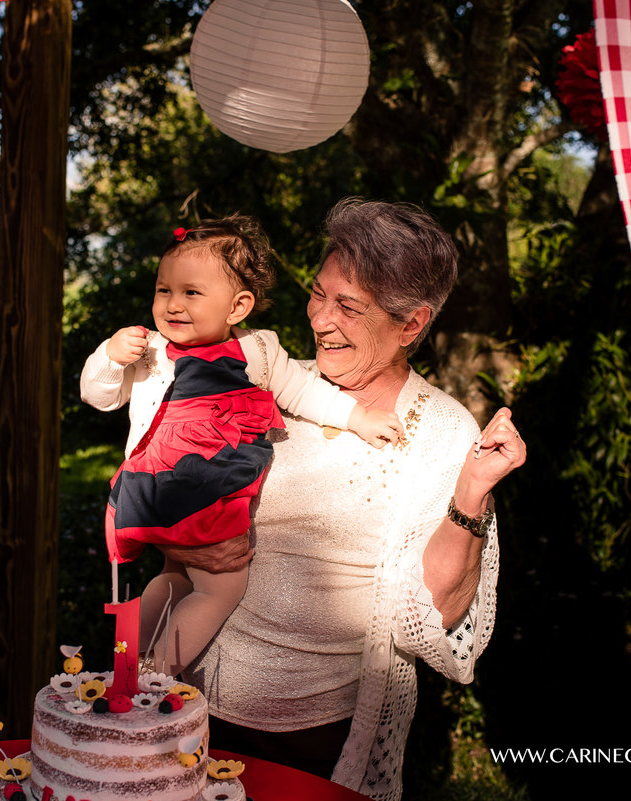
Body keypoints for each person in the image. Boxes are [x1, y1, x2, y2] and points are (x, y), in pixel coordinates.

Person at [166, 198, 526, 801]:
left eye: (349, 308)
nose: (320, 320)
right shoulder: (272, 379)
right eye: (317, 294)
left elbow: (428, 615)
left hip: (322, 734)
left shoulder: (441, 429)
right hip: (196, 701)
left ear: (411, 324)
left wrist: (470, 499)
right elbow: (182, 520)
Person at [80, 215, 403, 676]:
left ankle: (122, 666)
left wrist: (358, 417)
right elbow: (98, 395)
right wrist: (109, 358)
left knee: (171, 576)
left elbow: (305, 392)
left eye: (191, 293)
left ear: (238, 307)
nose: (172, 304)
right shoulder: (150, 351)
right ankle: (152, 679)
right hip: (195, 493)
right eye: (163, 290)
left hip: (157, 496)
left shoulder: (260, 351)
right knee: (219, 589)